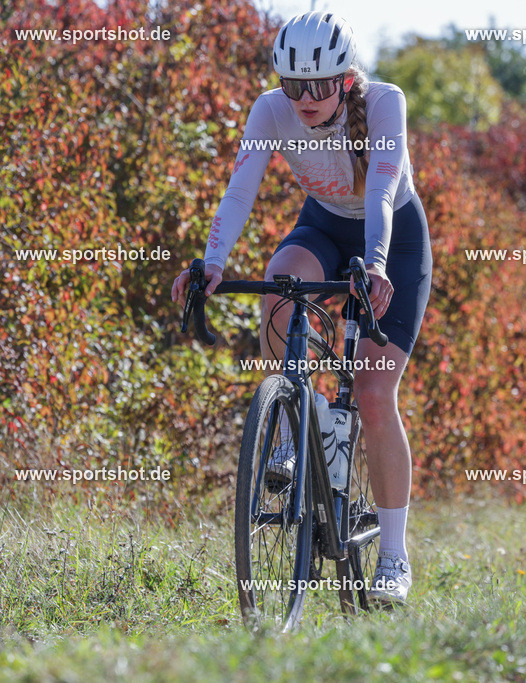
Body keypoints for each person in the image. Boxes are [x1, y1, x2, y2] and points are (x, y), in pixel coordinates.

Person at [171, 11, 431, 606]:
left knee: (371, 391)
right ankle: (296, 414)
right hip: (321, 226)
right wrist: (212, 261)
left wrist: (378, 263)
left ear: (344, 80)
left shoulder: (385, 101)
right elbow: (241, 189)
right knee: (280, 282)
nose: (305, 99)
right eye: (294, 86)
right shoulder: (270, 110)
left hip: (392, 236)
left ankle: (393, 554)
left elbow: (383, 189)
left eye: (319, 87)